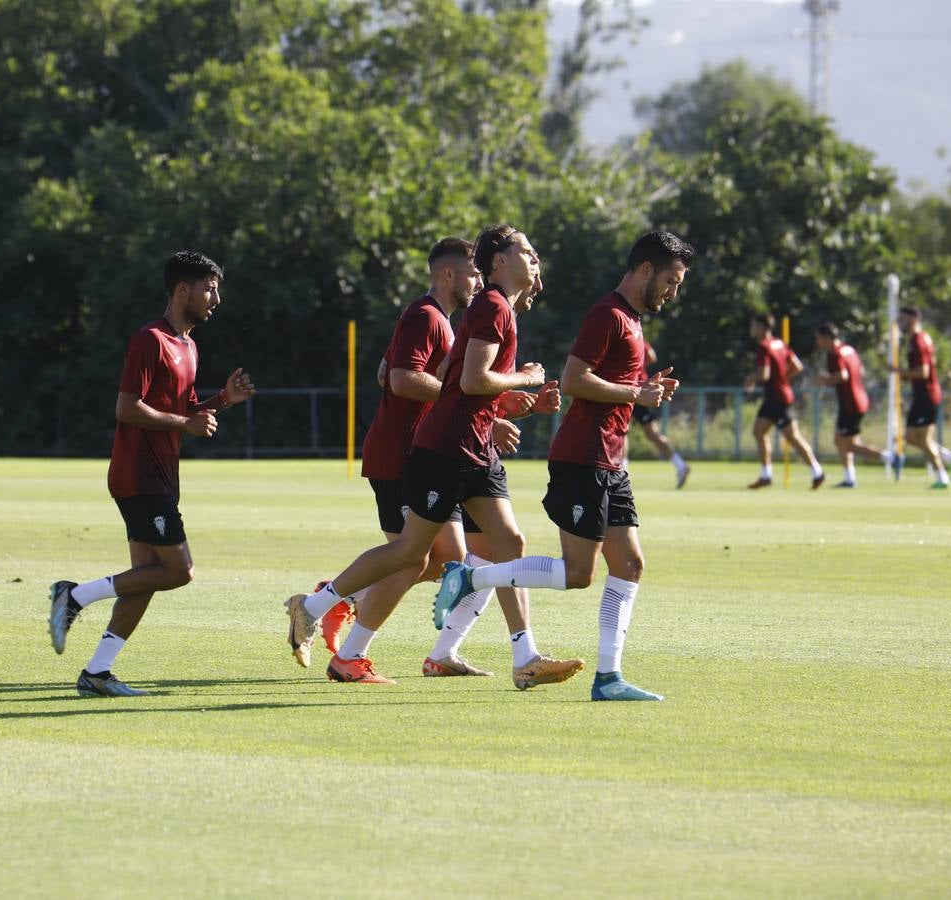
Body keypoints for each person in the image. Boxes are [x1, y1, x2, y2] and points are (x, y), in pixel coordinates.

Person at [285, 225, 582, 691]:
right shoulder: (485, 307)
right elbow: (457, 378)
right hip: (441, 451)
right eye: (526, 251)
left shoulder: (495, 309)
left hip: (473, 447)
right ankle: (319, 609)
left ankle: (523, 657)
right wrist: (521, 380)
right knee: (412, 556)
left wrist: (495, 408)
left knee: (507, 545)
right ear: (498, 261)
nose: (536, 260)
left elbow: (446, 373)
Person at [434, 231, 694, 702]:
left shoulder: (632, 320)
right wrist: (638, 392)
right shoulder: (609, 314)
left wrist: (642, 388)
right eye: (671, 281)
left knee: (631, 564)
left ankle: (608, 678)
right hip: (584, 457)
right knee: (578, 573)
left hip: (611, 459)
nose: (673, 293)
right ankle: (472, 577)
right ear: (646, 270)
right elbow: (575, 379)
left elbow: (609, 385)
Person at [300, 237, 516, 683]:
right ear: (448, 275)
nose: (478, 281)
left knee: (437, 561)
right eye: (473, 274)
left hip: (430, 453)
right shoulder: (426, 317)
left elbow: (384, 370)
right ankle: (330, 612)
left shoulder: (440, 321)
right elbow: (400, 378)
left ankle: (342, 605)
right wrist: (456, 401)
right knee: (427, 558)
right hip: (401, 455)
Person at [47, 250, 256, 697]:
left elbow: (182, 412)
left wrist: (220, 402)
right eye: (209, 288)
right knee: (179, 571)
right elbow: (127, 407)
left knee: (144, 578)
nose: (216, 298)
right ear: (183, 290)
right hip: (139, 475)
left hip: (159, 477)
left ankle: (97, 673)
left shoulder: (189, 346)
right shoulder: (151, 340)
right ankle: (75, 596)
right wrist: (186, 423)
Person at [743, 313, 826, 490]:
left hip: (776, 398)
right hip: (780, 395)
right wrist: (783, 379)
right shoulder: (779, 343)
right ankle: (767, 475)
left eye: (754, 325)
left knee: (792, 437)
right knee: (760, 431)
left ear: (763, 327)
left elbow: (764, 374)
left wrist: (750, 378)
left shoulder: (764, 346)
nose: (752, 329)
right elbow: (797, 365)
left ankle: (816, 472)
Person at [813, 322, 892, 487]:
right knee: (840, 440)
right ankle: (850, 478)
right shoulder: (848, 349)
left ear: (827, 338)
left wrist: (825, 380)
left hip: (851, 404)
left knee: (848, 444)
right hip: (858, 399)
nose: (817, 342)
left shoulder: (834, 353)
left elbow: (842, 375)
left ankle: (890, 458)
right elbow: (860, 371)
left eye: (819, 339)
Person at [895, 307, 951, 488]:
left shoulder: (918, 340)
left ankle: (942, 478)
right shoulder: (916, 339)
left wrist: (900, 372)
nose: (900, 321)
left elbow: (923, 372)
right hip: (922, 396)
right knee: (910, 437)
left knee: (923, 439)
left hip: (927, 395)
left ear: (913, 318)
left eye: (903, 318)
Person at [629, 340, 690, 488]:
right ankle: (680, 465)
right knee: (648, 433)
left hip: (635, 389)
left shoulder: (632, 336)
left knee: (625, 432)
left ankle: (622, 472)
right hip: (638, 388)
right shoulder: (637, 335)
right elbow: (652, 356)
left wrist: (637, 368)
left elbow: (650, 356)